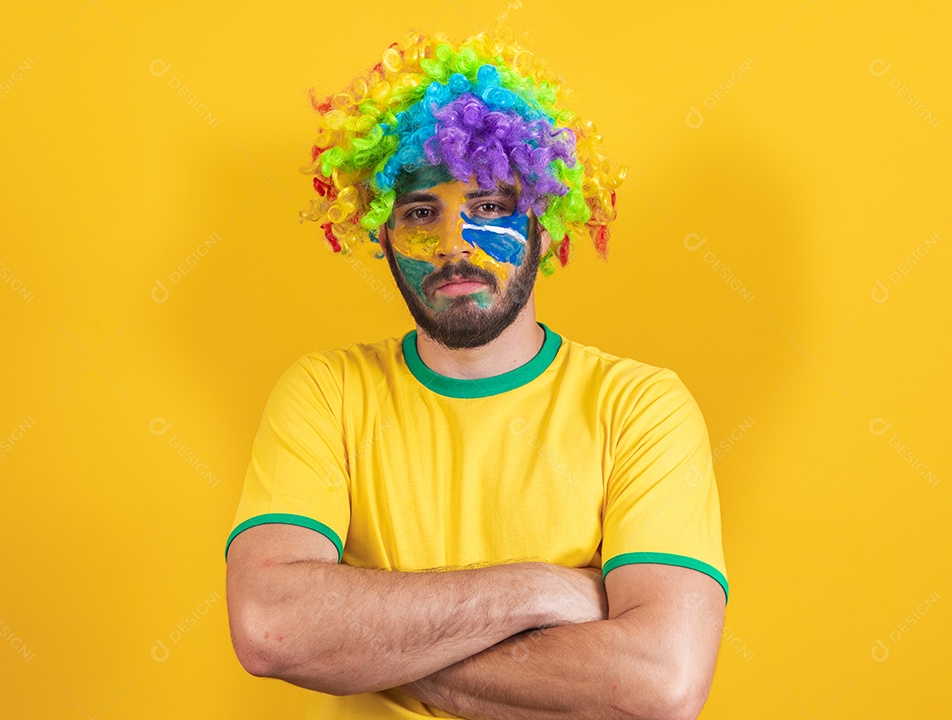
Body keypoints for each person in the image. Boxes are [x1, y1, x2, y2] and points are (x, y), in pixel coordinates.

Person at [225, 28, 729, 720]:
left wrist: (368, 648)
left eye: (490, 209)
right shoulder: (325, 393)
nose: (455, 246)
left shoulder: (641, 407)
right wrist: (541, 590)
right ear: (381, 234)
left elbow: (659, 684)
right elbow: (271, 628)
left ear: (546, 225)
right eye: (421, 213)